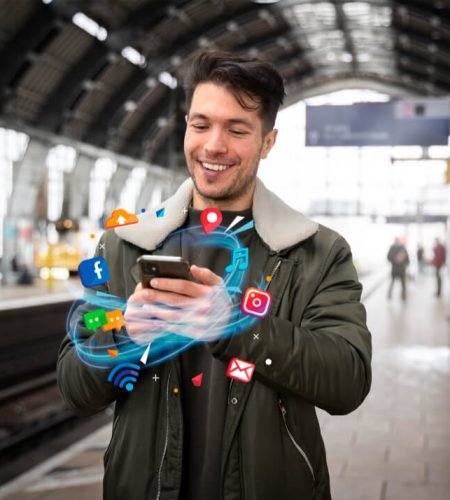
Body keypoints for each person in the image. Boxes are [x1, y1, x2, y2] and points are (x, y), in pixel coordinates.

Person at [57, 51, 372, 500]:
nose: (213, 145)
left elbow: (348, 380)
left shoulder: (316, 252)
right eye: (200, 124)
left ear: (267, 142)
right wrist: (121, 330)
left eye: (237, 129)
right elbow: (73, 384)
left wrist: (238, 327)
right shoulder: (125, 245)